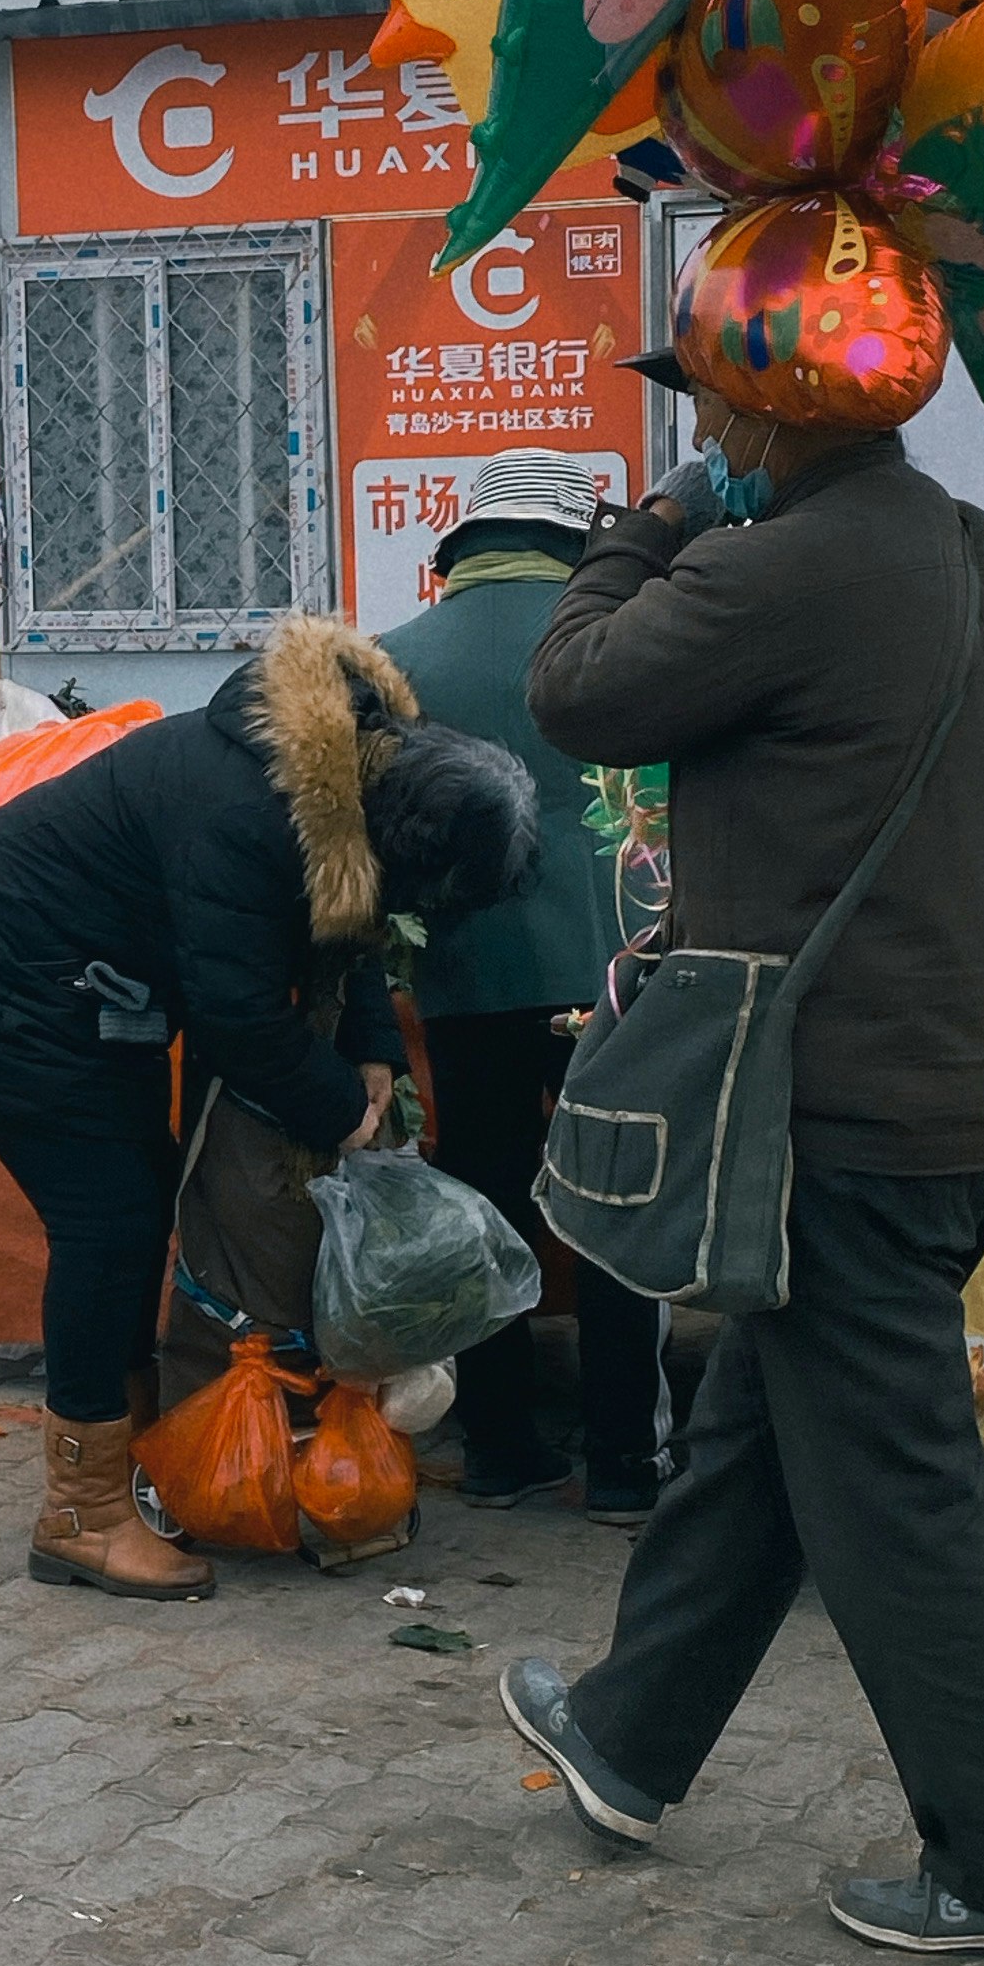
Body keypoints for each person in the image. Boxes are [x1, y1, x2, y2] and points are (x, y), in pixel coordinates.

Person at [495, 360, 984, 1966]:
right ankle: (628, 1734)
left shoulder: (783, 559)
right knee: (760, 1431)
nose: (706, 442)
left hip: (839, 1114)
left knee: (899, 1499)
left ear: (777, 422)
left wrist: (654, 520)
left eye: (715, 419)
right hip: (961, 1100)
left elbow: (573, 685)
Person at [0, 616, 536, 1599]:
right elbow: (235, 1013)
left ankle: (141, 1457)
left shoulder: (351, 778)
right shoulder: (242, 814)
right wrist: (336, 1110)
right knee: (109, 1221)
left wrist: (373, 1052)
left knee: (136, 1202)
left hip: (93, 991)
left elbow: (338, 922)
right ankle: (81, 1514)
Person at [372, 452, 674, 1523]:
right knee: (614, 1209)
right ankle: (626, 1469)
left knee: (486, 1201)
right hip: (613, 972)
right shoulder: (627, 637)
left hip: (466, 974)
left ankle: (501, 1447)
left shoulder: (390, 662)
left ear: (462, 545)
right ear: (576, 541)